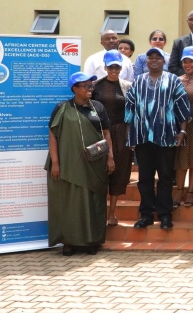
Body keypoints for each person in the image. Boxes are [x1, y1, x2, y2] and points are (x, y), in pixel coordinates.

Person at [47, 72, 115, 256]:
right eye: (86, 86)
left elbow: (107, 134)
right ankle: (69, 242)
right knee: (70, 203)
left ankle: (92, 241)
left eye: (91, 85)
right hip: (69, 164)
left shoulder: (98, 107)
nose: (90, 89)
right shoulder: (62, 108)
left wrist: (110, 157)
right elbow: (53, 135)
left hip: (95, 163)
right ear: (75, 89)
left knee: (94, 201)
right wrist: (55, 162)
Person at [125, 47, 191, 230]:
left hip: (167, 136)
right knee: (144, 178)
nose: (154, 60)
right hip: (142, 137)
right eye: (150, 57)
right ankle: (146, 214)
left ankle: (164, 214)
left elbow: (182, 107)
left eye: (157, 57)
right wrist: (130, 136)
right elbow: (129, 109)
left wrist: (182, 132)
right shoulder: (138, 81)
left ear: (164, 61)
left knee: (166, 177)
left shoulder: (173, 80)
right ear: (146, 61)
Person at [91, 50, 133, 227]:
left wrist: (132, 136)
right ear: (105, 67)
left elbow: (134, 112)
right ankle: (98, 213)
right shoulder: (95, 86)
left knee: (119, 170)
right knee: (98, 170)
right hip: (99, 134)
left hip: (121, 133)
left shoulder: (128, 86)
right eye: (111, 67)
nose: (114, 70)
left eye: (117, 67)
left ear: (121, 68)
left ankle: (112, 213)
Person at [174, 47, 193, 210]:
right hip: (181, 123)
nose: (188, 64)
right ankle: (179, 190)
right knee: (181, 159)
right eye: (185, 61)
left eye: (191, 61)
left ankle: (190, 191)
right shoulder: (177, 79)